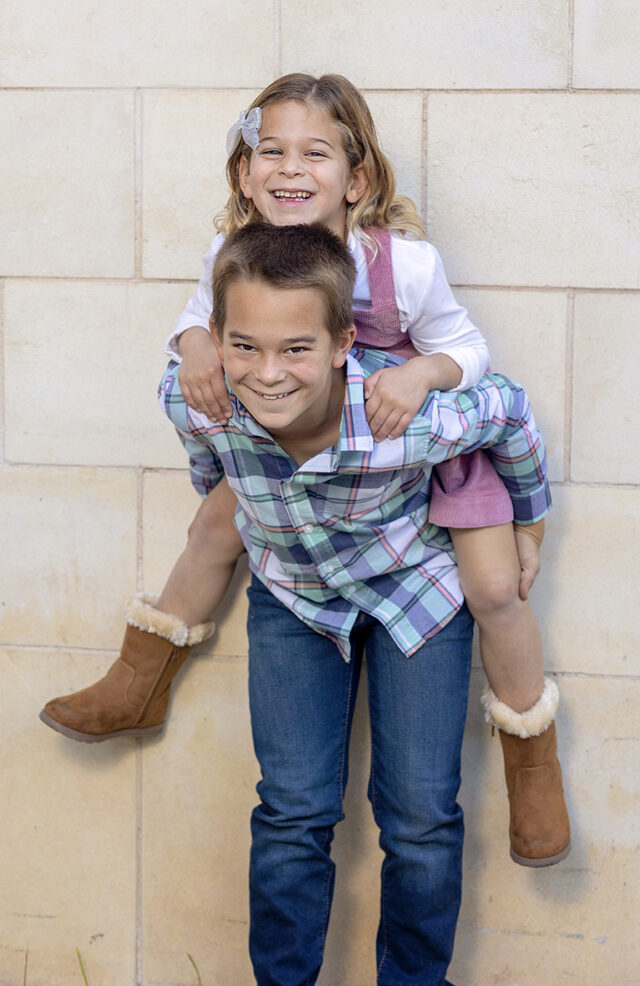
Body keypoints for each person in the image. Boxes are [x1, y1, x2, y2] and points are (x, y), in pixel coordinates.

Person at [40, 72, 569, 868]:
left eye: (313, 152)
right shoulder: (231, 254)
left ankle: (531, 750)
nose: (289, 169)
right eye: (271, 152)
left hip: (416, 438)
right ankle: (139, 679)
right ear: (246, 174)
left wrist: (420, 378)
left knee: (494, 588)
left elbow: (469, 352)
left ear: (356, 179)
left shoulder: (403, 265)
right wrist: (192, 350)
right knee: (219, 516)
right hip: (285, 440)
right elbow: (195, 324)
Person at [163, 221, 552, 985]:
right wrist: (234, 502)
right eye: (244, 346)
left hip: (415, 595)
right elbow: (207, 461)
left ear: (344, 343)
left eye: (296, 349)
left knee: (419, 820)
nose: (269, 373)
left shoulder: (404, 422)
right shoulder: (195, 402)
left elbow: (508, 411)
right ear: (214, 339)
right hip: (296, 594)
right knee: (291, 812)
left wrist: (529, 520)